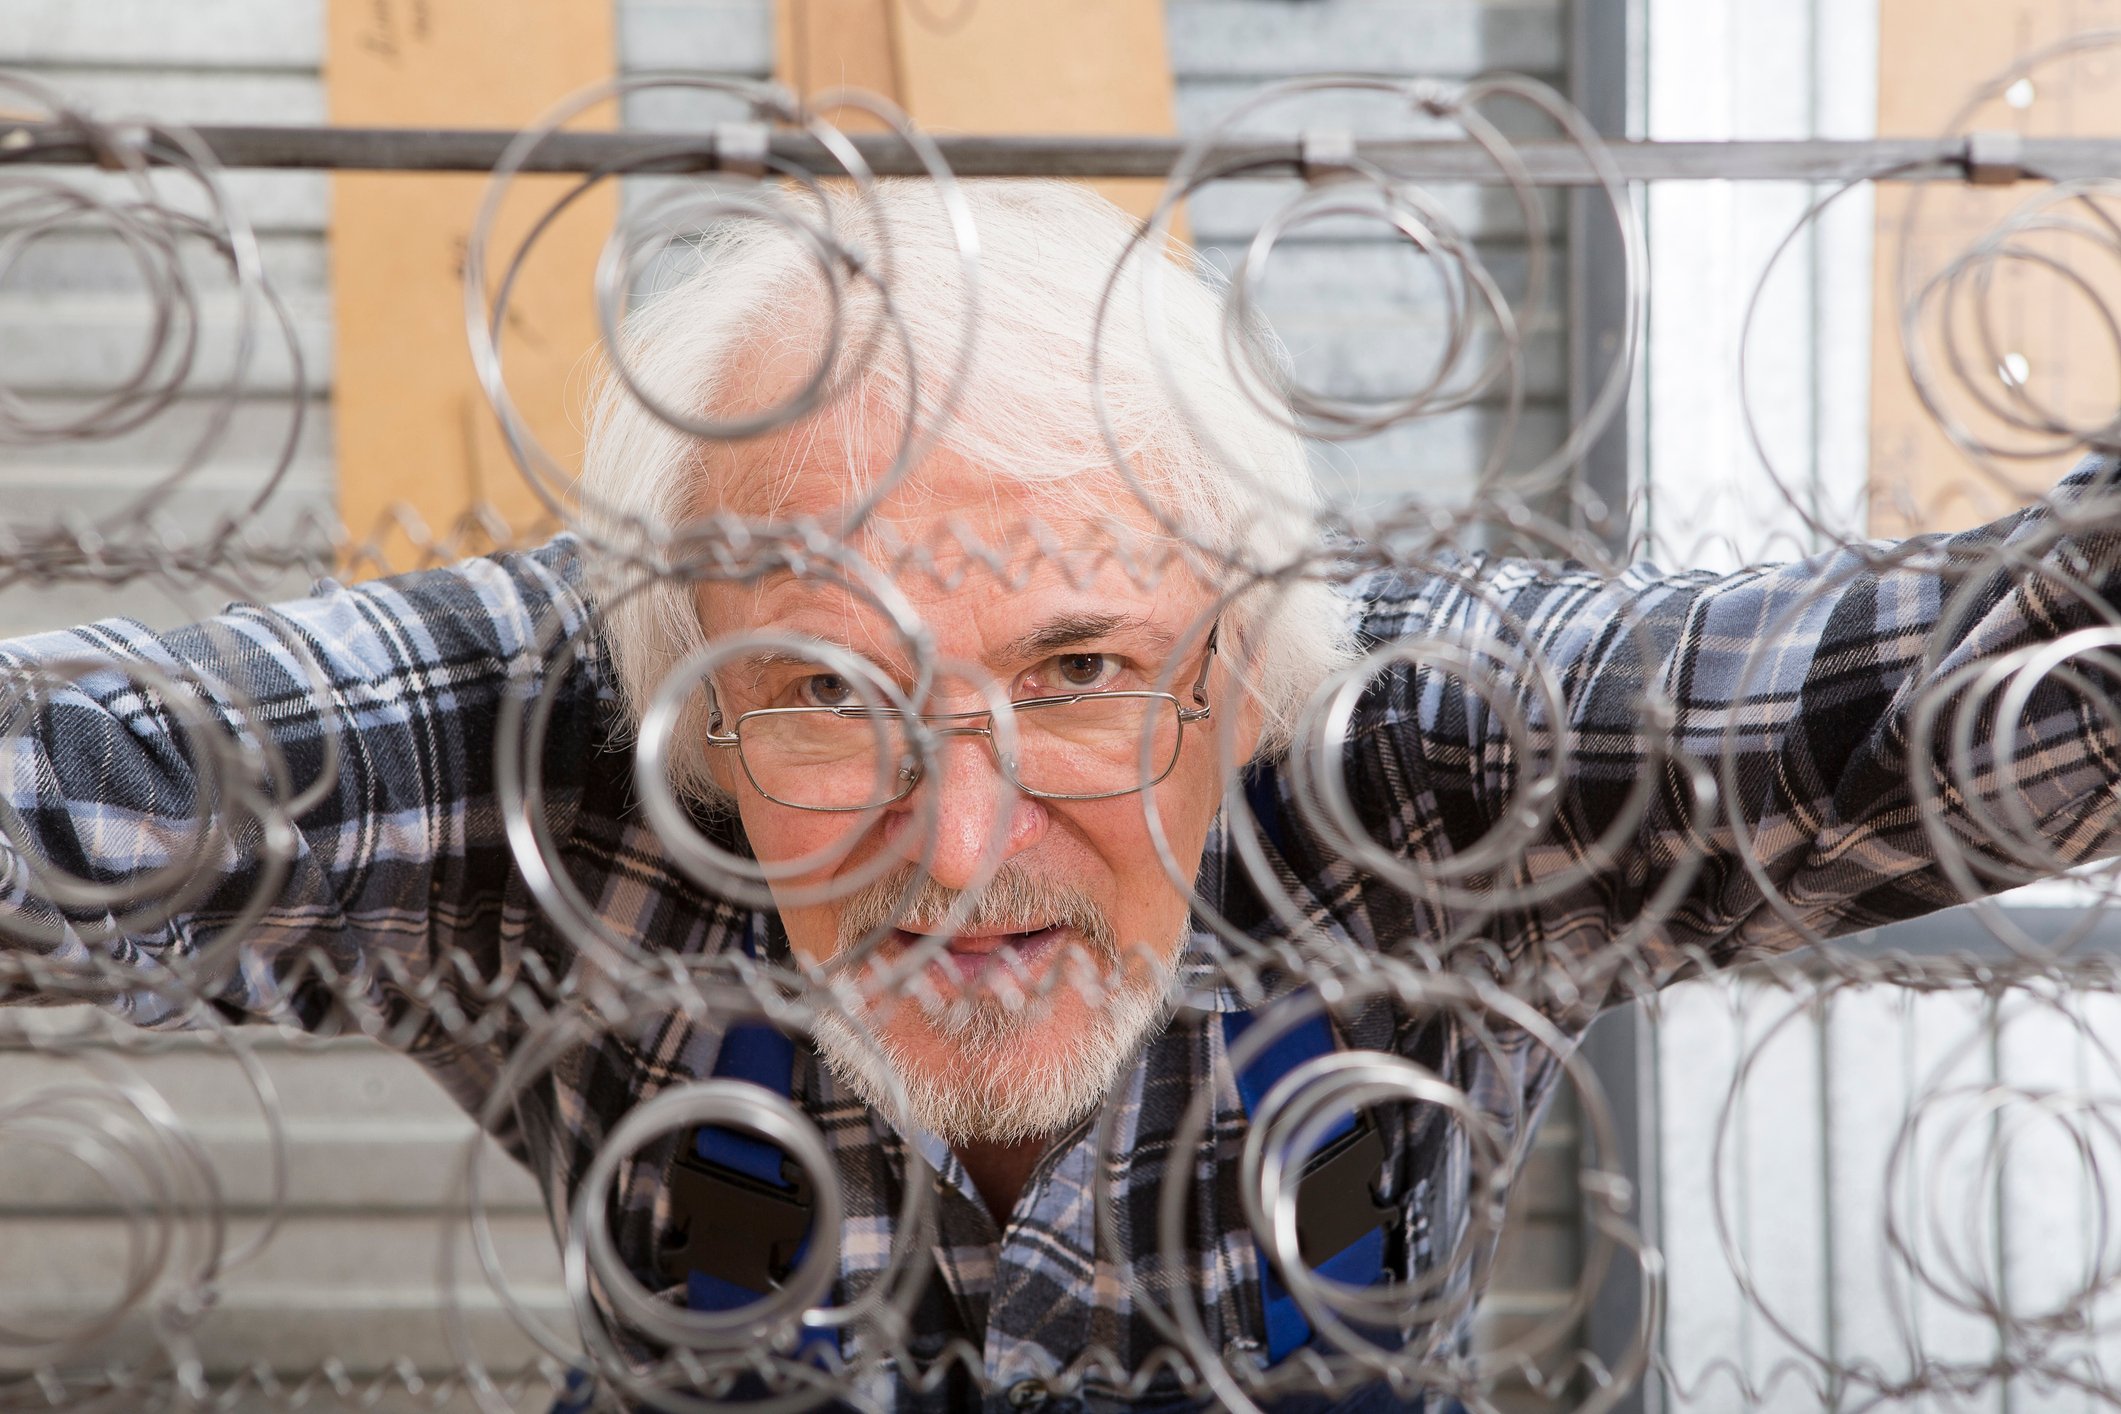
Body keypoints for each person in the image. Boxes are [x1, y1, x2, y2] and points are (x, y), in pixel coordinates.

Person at [3, 177, 2119, 1413]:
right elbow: (73, 789)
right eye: (826, 692)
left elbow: (2000, 698)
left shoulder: (1438, 751)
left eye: (1079, 669)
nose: (957, 848)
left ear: (1249, 654)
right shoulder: (560, 739)